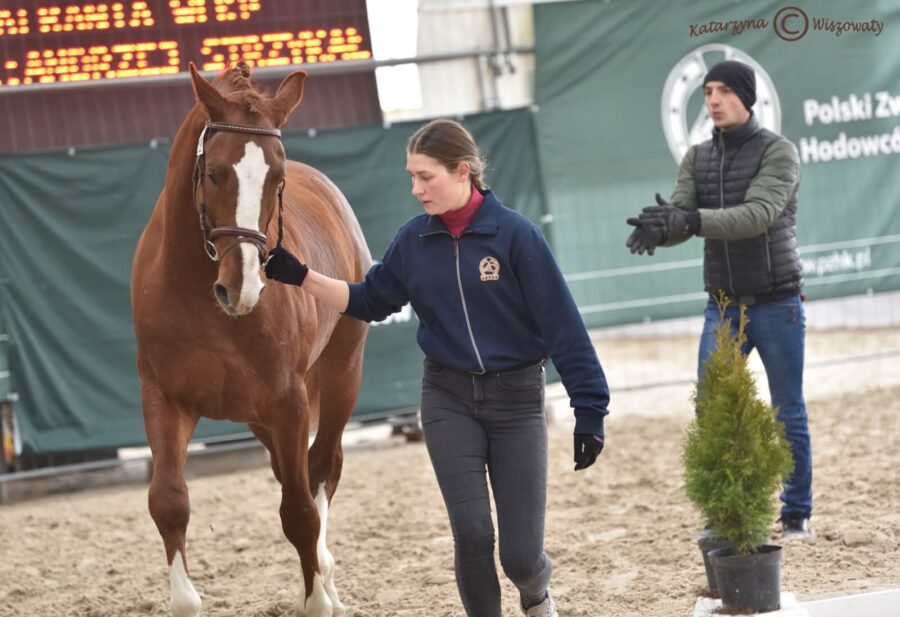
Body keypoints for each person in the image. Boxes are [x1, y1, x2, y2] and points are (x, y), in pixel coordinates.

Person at [265, 119, 610, 617]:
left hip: (517, 403)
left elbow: (563, 326)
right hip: (448, 400)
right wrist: (302, 277)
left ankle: (536, 593)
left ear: (462, 171)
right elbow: (369, 300)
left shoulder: (516, 236)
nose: (416, 188)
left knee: (518, 556)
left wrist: (590, 410)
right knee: (471, 534)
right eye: (411, 176)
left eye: (425, 177)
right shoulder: (413, 241)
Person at [626, 60, 812, 539]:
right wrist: (662, 227)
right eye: (708, 91)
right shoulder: (696, 157)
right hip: (724, 305)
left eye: (725, 90)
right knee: (711, 406)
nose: (712, 99)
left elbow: (756, 216)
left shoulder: (780, 153)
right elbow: (683, 217)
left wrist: (688, 222)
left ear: (747, 98)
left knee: (785, 409)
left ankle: (796, 513)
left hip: (778, 302)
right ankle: (722, 512)